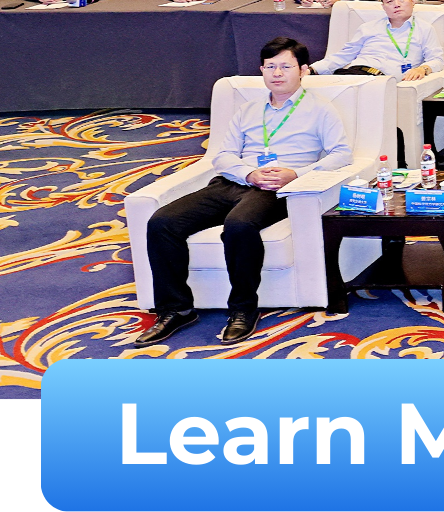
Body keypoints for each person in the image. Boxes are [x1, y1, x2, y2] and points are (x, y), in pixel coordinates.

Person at [135, 37, 352, 346]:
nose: (277, 73)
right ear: (261, 70)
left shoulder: (321, 110)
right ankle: (175, 309)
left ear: (303, 70)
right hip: (235, 182)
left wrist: (296, 174)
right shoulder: (248, 110)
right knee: (162, 222)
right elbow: (223, 156)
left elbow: (341, 154)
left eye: (286, 66)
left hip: (278, 188)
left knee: (239, 225)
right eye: (270, 67)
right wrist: (248, 173)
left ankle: (243, 309)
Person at [311, 0, 442, 79]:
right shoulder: (368, 27)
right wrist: (312, 70)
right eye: (389, 1)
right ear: (383, 6)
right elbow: (343, 56)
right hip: (353, 74)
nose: (396, 4)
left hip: (382, 81)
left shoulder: (424, 29)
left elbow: (437, 60)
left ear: (413, 1)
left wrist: (422, 69)